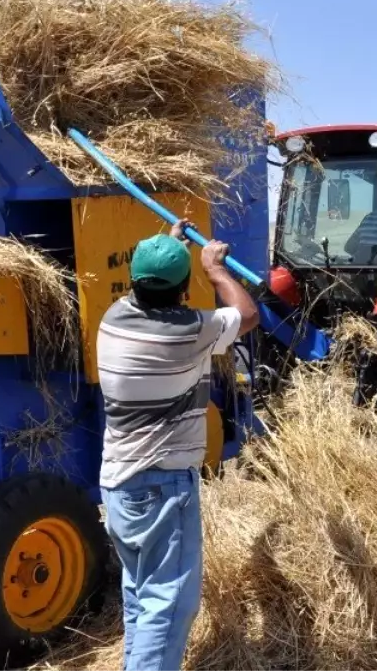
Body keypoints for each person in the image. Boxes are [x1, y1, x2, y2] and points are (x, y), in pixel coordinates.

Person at [96, 219, 258, 671]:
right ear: (184, 290)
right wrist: (216, 271)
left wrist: (167, 247)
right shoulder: (188, 332)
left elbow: (152, 289)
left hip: (119, 486)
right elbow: (247, 315)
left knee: (141, 595)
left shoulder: (115, 319)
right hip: (162, 488)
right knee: (169, 607)